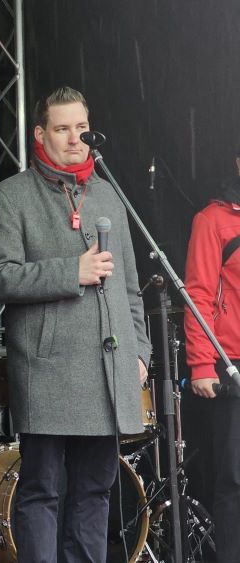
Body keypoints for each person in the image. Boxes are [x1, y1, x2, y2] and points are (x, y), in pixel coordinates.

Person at [0, 86, 151, 562]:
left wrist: (140, 352)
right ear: (40, 133)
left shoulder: (109, 196)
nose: (76, 138)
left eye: (82, 128)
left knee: (96, 491)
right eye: (63, 128)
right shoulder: (11, 196)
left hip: (107, 368)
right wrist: (69, 272)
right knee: (42, 490)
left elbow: (131, 288)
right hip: (47, 369)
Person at [184, 151, 240, 563]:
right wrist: (202, 364)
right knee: (236, 480)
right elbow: (198, 295)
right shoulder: (212, 220)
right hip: (233, 363)